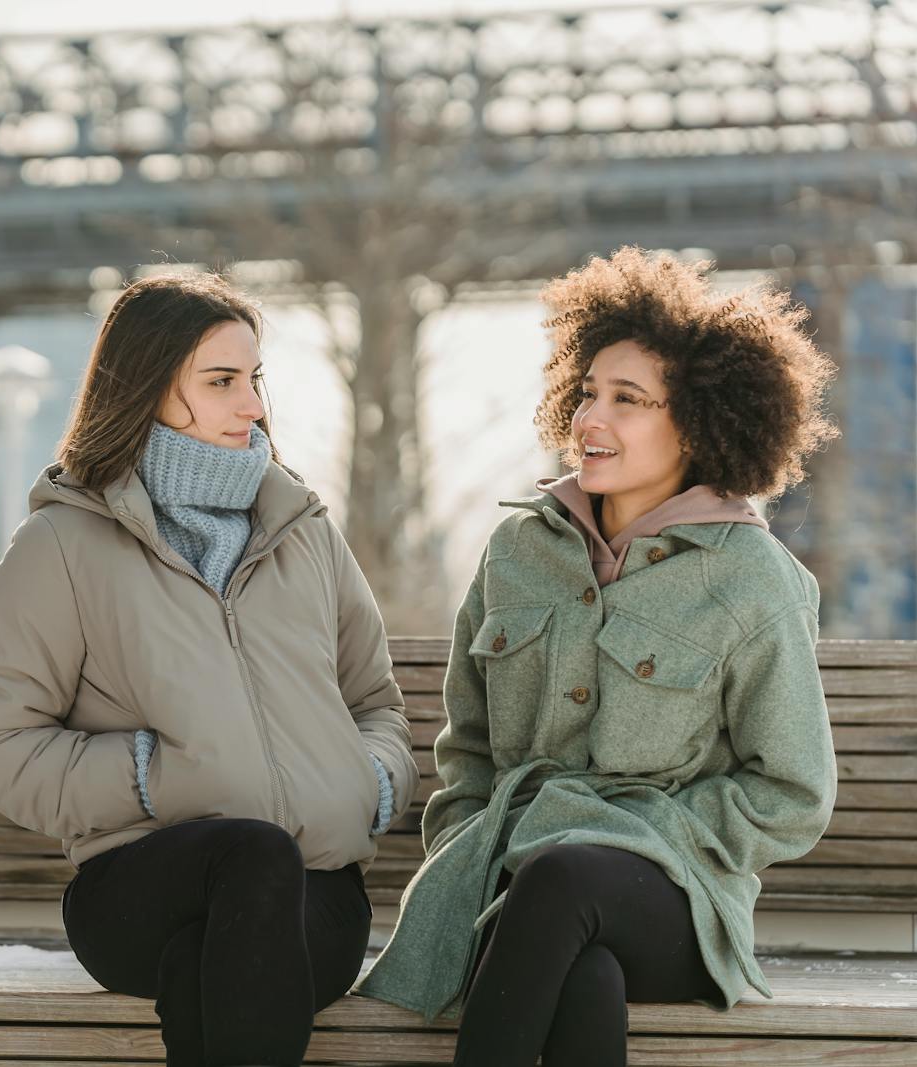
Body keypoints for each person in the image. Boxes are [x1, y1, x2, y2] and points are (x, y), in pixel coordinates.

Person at [357, 246, 841, 1067]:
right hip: (508, 885)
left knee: (565, 879)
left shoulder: (752, 579)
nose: (592, 418)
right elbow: (467, 751)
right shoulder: (517, 552)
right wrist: (467, 842)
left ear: (698, 423)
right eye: (587, 393)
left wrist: (657, 832)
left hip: (674, 895)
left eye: (629, 399)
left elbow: (792, 789)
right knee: (583, 978)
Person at [0, 270, 419, 1067]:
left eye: (255, 380)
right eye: (222, 381)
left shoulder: (303, 531)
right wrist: (146, 774)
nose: (255, 406)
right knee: (249, 857)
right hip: (139, 886)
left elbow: (375, 704)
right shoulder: (64, 546)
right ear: (148, 388)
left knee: (216, 956)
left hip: (316, 895)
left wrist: (366, 779)